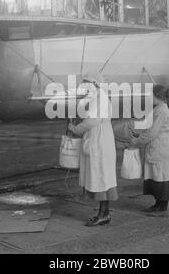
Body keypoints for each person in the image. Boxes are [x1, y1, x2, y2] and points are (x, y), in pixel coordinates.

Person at [68, 73, 118, 226]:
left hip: (99, 139)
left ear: (93, 83)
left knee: (100, 176)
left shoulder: (99, 97)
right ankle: (105, 213)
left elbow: (92, 120)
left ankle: (103, 215)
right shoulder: (99, 96)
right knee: (103, 177)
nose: (83, 86)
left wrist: (75, 129)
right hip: (102, 137)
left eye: (85, 83)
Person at [129, 85, 169, 213]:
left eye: (151, 95)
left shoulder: (161, 111)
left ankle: (161, 206)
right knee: (159, 176)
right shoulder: (160, 109)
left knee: (161, 177)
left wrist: (137, 141)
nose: (149, 97)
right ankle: (159, 204)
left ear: (158, 97)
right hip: (160, 146)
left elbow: (151, 133)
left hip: (160, 147)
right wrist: (139, 132)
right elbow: (151, 129)